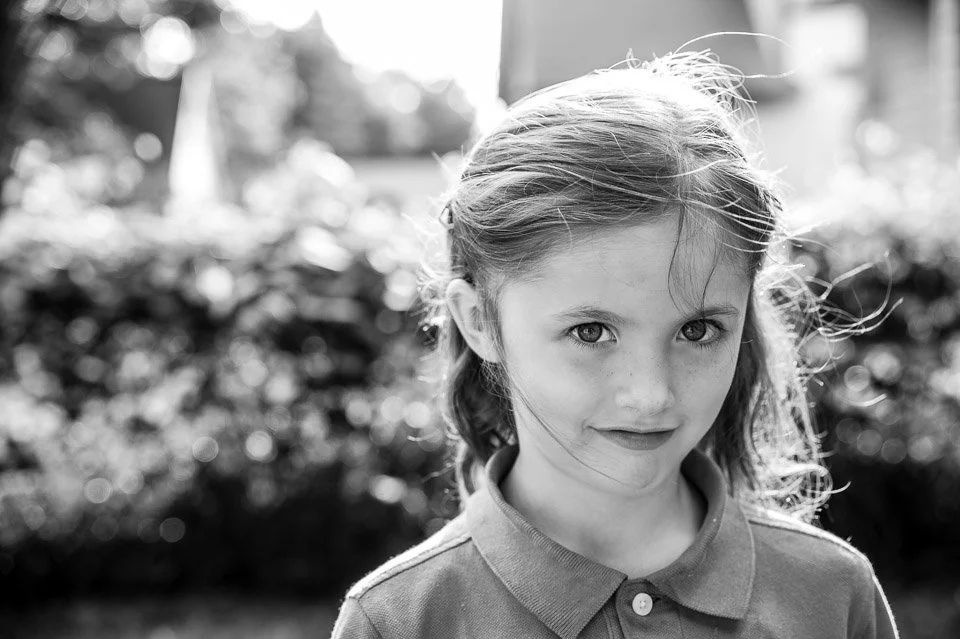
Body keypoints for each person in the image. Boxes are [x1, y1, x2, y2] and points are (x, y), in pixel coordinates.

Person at [331, 51, 899, 638]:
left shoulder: (833, 595)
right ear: (480, 323)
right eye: (591, 332)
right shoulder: (399, 622)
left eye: (698, 330)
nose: (651, 395)